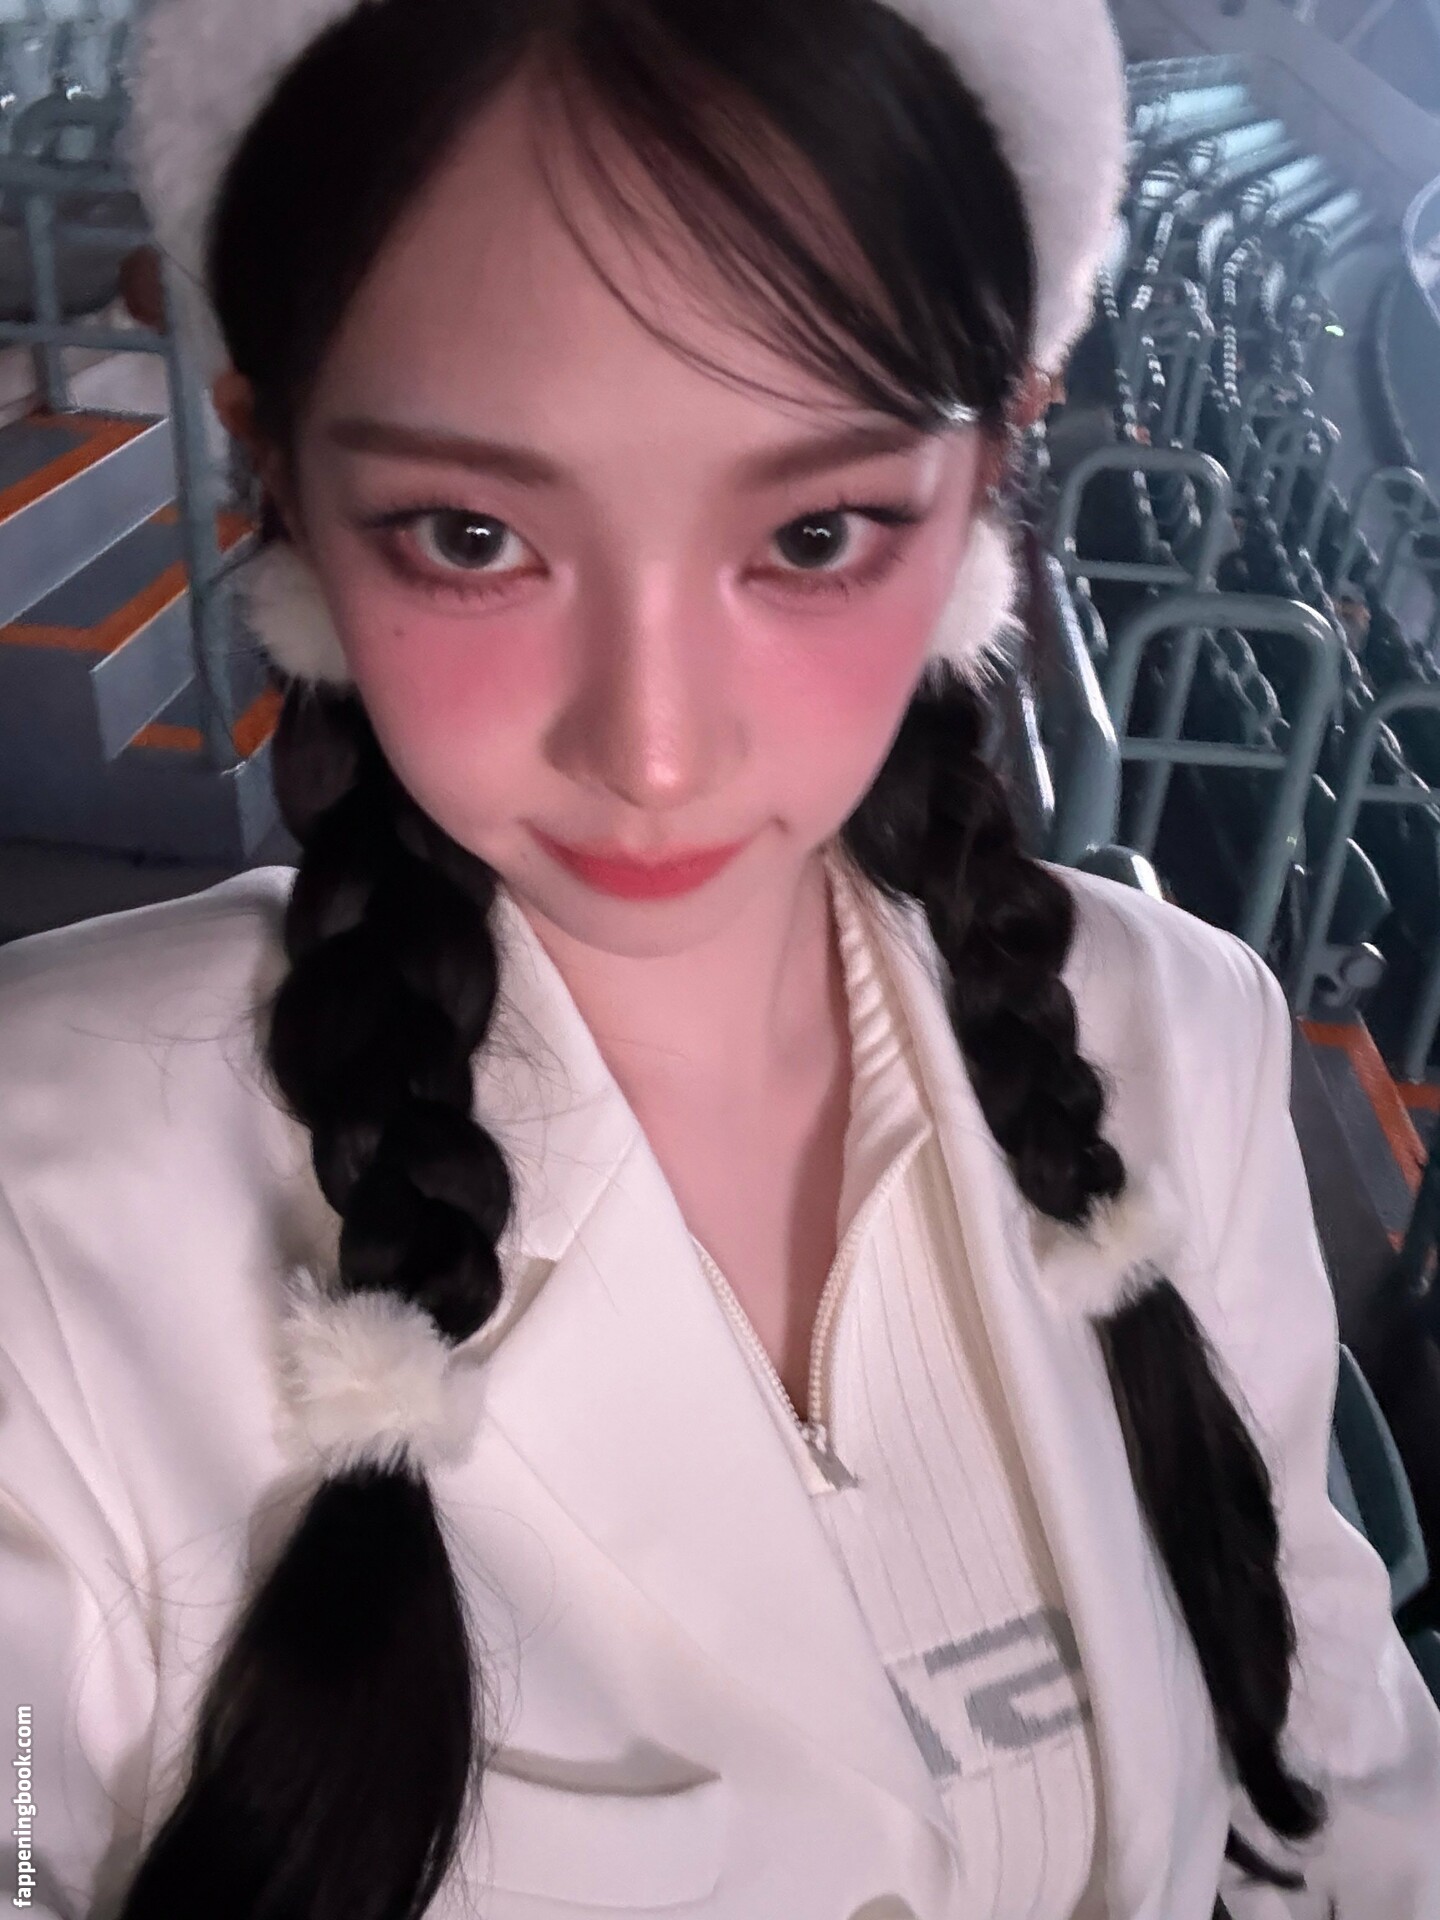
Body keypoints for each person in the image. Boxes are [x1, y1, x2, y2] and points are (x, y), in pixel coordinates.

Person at [2, 1, 1438, 1917]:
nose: (654, 751)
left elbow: (1339, 1800)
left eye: (815, 532)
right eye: (470, 535)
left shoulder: (1180, 1036)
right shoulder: (36, 1216)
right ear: (278, 474)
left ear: (997, 461)